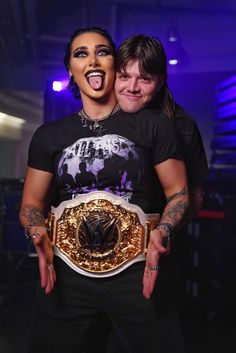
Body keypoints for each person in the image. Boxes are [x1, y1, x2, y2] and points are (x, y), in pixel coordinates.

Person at [19, 27, 189, 353]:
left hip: (137, 273)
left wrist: (164, 230)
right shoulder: (49, 136)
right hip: (66, 274)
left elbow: (179, 193)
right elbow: (30, 205)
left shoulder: (154, 125)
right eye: (81, 53)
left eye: (103, 51)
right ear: (71, 68)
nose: (93, 60)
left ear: (115, 63)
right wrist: (36, 230)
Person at [85, 34, 208, 353]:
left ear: (161, 81)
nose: (132, 87)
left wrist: (161, 231)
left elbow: (193, 197)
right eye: (125, 76)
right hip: (94, 256)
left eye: (145, 78)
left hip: (155, 258)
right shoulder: (97, 119)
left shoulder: (180, 124)